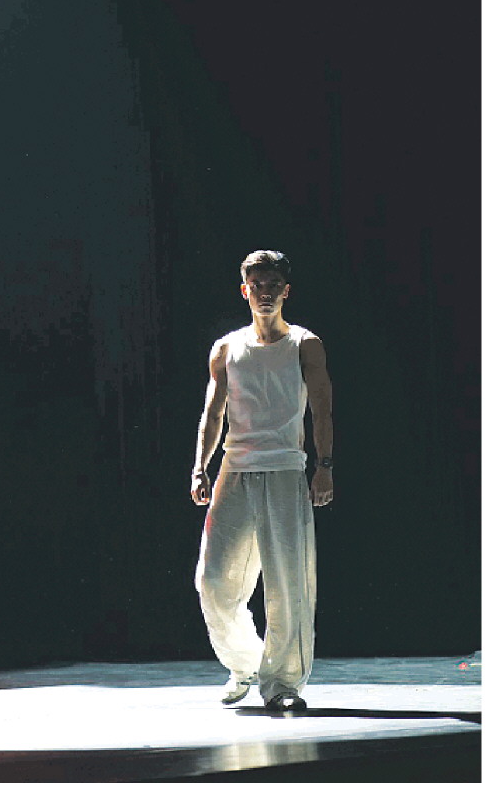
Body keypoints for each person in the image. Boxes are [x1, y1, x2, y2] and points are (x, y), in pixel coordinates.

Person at [191, 249, 333, 711]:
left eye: (273, 286)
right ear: (245, 291)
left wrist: (324, 466)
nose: (265, 293)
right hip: (235, 471)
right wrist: (200, 466)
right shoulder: (227, 348)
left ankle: (283, 684)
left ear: (286, 291)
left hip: (286, 470)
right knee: (214, 581)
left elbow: (322, 410)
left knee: (288, 584)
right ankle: (246, 664)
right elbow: (214, 412)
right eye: (257, 286)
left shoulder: (305, 344)